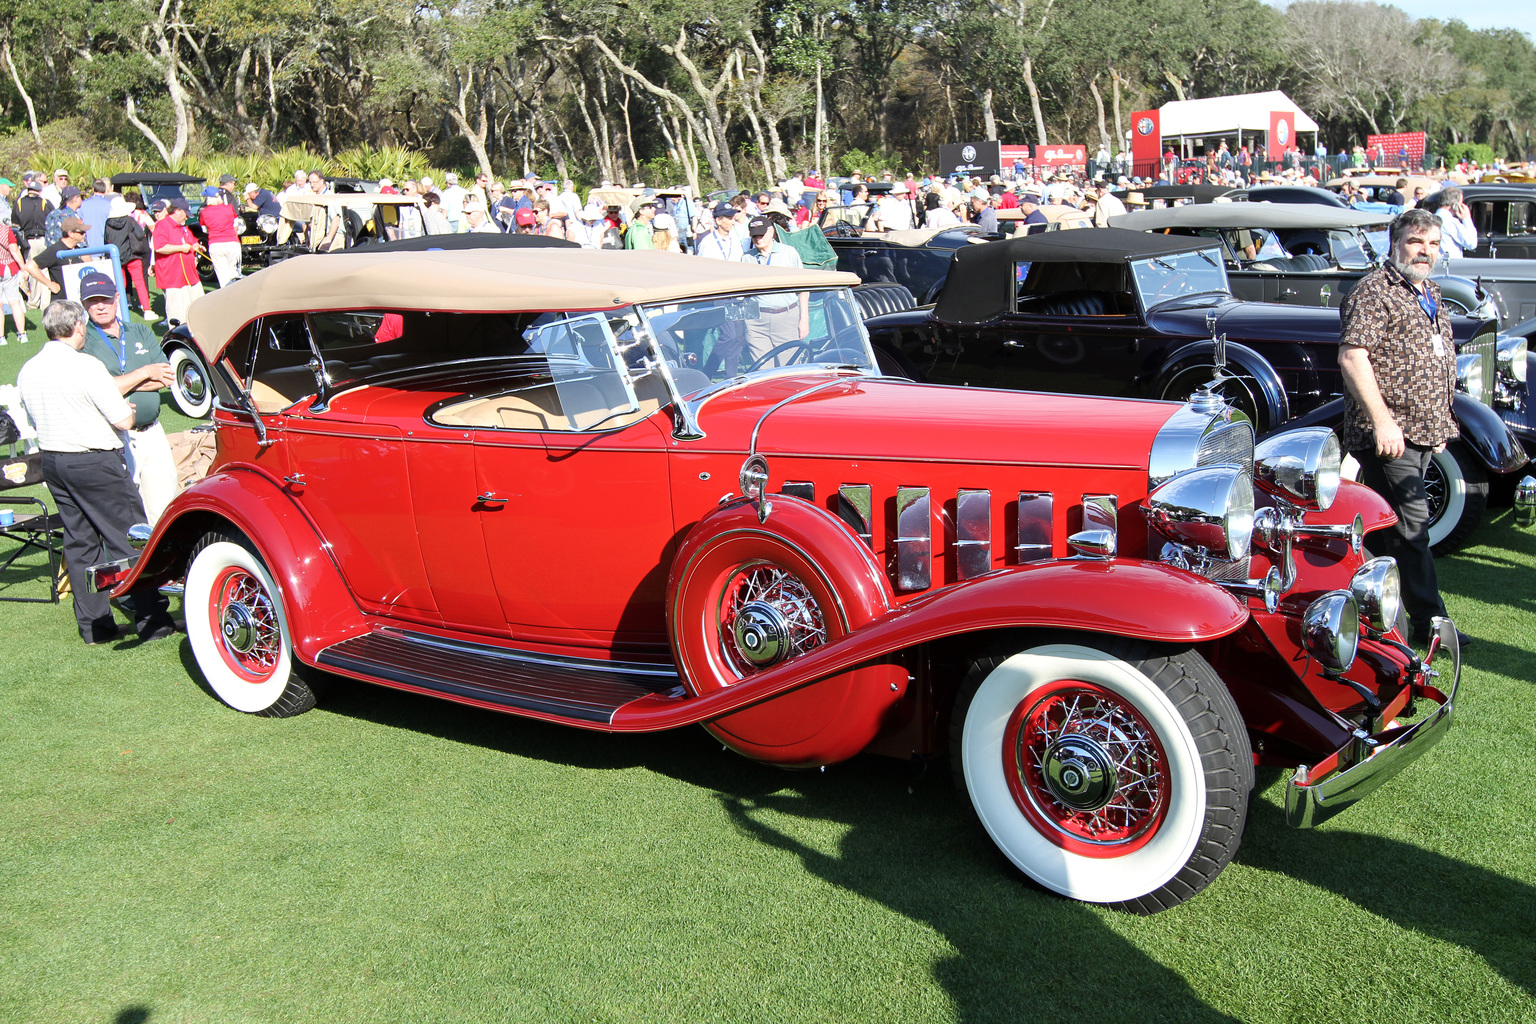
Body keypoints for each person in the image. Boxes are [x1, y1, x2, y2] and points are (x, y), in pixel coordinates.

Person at [1337, 208, 1467, 648]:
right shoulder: (1375, 291)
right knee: (1412, 529)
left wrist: (1442, 421)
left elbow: (1436, 359)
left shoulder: (1428, 292)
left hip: (1424, 430)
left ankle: (1382, 620)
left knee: (1394, 533)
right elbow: (1354, 358)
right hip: (1391, 434)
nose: (1425, 251)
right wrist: (1382, 421)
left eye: (1432, 243)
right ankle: (1432, 624)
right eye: (1416, 242)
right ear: (1396, 243)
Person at [16, 299, 178, 645]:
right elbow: (122, 419)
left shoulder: (28, 368)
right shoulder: (85, 365)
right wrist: (129, 411)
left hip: (54, 461)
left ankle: (95, 626)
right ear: (77, 327)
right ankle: (152, 620)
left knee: (80, 542)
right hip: (93, 459)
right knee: (129, 536)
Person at [76, 270, 178, 524]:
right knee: (124, 514)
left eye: (105, 299)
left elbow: (165, 377)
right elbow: (92, 388)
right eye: (92, 301)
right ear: (83, 305)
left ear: (116, 297)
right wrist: (144, 372)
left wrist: (118, 384)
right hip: (114, 436)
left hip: (152, 431)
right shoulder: (82, 341)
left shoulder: (140, 332)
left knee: (164, 509)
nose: (100, 306)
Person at [740, 216, 808, 368]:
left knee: (789, 368)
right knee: (763, 371)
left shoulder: (789, 253)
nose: (758, 239)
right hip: (756, 322)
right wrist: (741, 326)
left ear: (771, 232)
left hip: (786, 318)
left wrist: (804, 319)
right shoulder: (747, 258)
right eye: (754, 236)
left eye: (761, 234)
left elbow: (803, 288)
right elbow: (744, 296)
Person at [103, 195, 155, 320]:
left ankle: (120, 308)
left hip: (117, 257)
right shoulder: (129, 220)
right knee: (139, 282)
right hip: (133, 255)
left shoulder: (108, 223)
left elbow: (106, 240)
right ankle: (146, 310)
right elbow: (140, 234)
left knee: (120, 284)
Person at [151, 201, 204, 325]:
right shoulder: (162, 225)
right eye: (185, 214)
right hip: (172, 278)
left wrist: (196, 245)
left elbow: (191, 240)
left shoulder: (183, 227)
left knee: (198, 308)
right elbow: (159, 247)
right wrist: (181, 248)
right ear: (177, 211)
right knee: (177, 314)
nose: (186, 217)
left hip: (190, 276)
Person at [26, 214, 88, 299]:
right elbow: (30, 266)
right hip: (61, 302)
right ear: (71, 234)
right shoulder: (56, 250)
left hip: (76, 299)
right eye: (81, 232)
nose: (84, 234)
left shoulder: (77, 249)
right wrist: (49, 284)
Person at [198, 186, 241, 287]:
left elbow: (205, 230)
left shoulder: (204, 212)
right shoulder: (229, 208)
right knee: (233, 272)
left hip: (216, 243)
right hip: (232, 242)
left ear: (208, 198)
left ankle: (226, 296)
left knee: (222, 275)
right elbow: (235, 226)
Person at [0, 217, 28, 344]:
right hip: (8, 267)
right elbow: (14, 250)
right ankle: (22, 334)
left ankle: (1, 338)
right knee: (15, 303)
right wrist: (23, 267)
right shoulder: (6, 230)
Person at [1434, 186, 1477, 258]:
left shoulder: (1431, 219)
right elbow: (1472, 243)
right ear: (1455, 204)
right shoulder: (1451, 222)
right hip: (1451, 264)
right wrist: (1467, 218)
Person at [80, 179, 113, 248]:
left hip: (87, 248)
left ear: (93, 189)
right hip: (105, 247)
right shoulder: (110, 205)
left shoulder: (82, 205)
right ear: (105, 189)